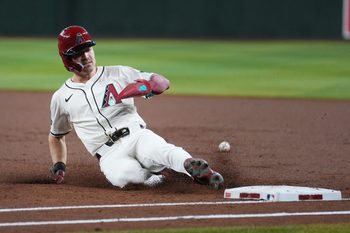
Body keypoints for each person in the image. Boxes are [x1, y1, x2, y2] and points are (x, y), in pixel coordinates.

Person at [48, 25, 224, 189]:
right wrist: (59, 165)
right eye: (79, 53)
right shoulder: (61, 97)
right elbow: (56, 136)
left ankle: (198, 170)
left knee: (161, 150)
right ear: (67, 59)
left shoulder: (119, 73)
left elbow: (162, 81)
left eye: (88, 49)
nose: (86, 56)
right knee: (126, 177)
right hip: (109, 154)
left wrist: (149, 87)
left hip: (136, 135)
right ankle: (163, 176)